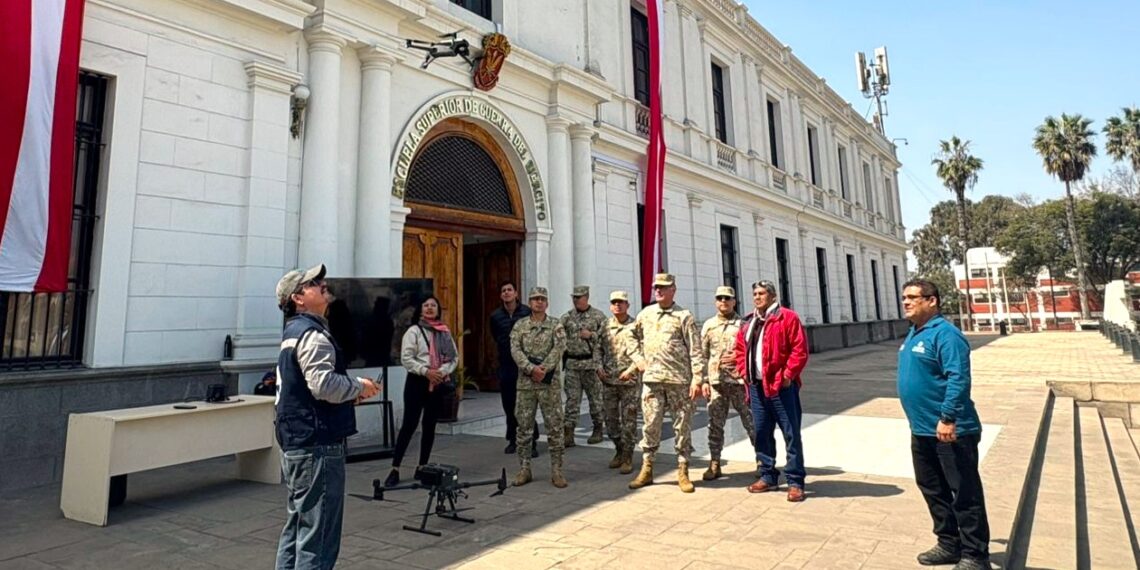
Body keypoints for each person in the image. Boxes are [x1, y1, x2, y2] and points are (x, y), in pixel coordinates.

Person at [274, 263, 381, 570]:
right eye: (313, 283)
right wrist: (358, 386)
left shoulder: (292, 332)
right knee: (318, 538)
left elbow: (309, 388)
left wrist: (351, 395)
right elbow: (323, 385)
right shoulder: (313, 334)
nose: (322, 283)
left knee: (297, 529)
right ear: (298, 298)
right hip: (317, 445)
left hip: (298, 440)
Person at [898, 279, 991, 570]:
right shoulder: (915, 332)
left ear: (932, 301)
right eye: (904, 298)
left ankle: (975, 555)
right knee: (932, 488)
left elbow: (958, 378)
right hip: (922, 429)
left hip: (950, 430)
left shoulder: (946, 334)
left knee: (964, 491)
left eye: (913, 297)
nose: (906, 302)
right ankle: (949, 543)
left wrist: (948, 417)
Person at [628, 273, 706, 493]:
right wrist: (638, 359)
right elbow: (630, 337)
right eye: (656, 287)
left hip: (678, 381)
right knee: (650, 425)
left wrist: (698, 379)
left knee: (682, 426)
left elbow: (695, 349)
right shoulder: (646, 314)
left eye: (663, 287)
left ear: (673, 289)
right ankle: (647, 468)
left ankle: (683, 470)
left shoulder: (684, 316)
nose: (658, 290)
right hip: (652, 381)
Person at [734, 279, 809, 502]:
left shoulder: (787, 317)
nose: (757, 297)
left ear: (773, 297)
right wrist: (743, 371)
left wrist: (787, 376)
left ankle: (795, 481)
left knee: (791, 434)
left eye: (762, 293)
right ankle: (768, 475)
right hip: (756, 388)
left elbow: (799, 349)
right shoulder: (749, 322)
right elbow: (740, 349)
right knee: (762, 433)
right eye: (755, 293)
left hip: (781, 388)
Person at [383, 296, 458, 488]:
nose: (430, 308)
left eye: (434, 305)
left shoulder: (444, 332)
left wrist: (441, 372)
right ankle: (395, 468)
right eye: (426, 305)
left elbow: (453, 358)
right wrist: (427, 372)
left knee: (430, 425)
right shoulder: (413, 331)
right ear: (421, 310)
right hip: (417, 382)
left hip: (437, 382)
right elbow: (406, 358)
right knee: (409, 424)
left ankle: (422, 466)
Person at [509, 287, 568, 488]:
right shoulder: (520, 326)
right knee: (524, 428)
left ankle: (557, 470)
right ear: (529, 302)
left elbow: (559, 348)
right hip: (526, 385)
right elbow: (515, 350)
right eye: (535, 299)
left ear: (547, 303)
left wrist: (543, 368)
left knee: (554, 428)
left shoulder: (556, 325)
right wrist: (530, 368)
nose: (539, 302)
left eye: (542, 299)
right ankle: (524, 468)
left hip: (548, 385)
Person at [699, 285, 755, 481]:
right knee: (715, 424)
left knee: (751, 422)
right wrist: (703, 380)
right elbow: (702, 355)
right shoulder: (708, 325)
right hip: (716, 383)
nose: (723, 301)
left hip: (739, 382)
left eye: (727, 298)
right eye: (720, 298)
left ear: (734, 301)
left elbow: (751, 352)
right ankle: (715, 463)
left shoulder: (744, 325)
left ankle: (762, 461)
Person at [489, 280, 538, 458]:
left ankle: (532, 442)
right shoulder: (495, 316)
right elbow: (496, 336)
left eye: (510, 290)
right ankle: (513, 439)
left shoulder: (527, 312)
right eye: (504, 290)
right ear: (501, 295)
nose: (507, 293)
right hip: (506, 365)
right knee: (509, 404)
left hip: (525, 364)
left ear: (516, 294)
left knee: (527, 404)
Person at [561, 285, 610, 447]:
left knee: (595, 400)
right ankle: (568, 432)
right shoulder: (567, 317)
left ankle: (597, 429)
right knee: (572, 400)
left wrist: (592, 335)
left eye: (579, 297)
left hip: (591, 364)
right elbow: (558, 335)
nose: (576, 300)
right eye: (574, 297)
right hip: (572, 365)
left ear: (586, 297)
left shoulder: (598, 316)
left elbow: (608, 338)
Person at [603, 290, 643, 474]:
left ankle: (627, 456)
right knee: (610, 420)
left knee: (629, 421)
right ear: (611, 306)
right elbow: (597, 349)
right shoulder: (605, 326)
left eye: (621, 302)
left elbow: (644, 353)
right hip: (609, 380)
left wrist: (631, 370)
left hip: (629, 382)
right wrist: (597, 367)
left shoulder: (636, 326)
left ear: (627, 305)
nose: (617, 305)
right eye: (614, 302)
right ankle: (618, 449)